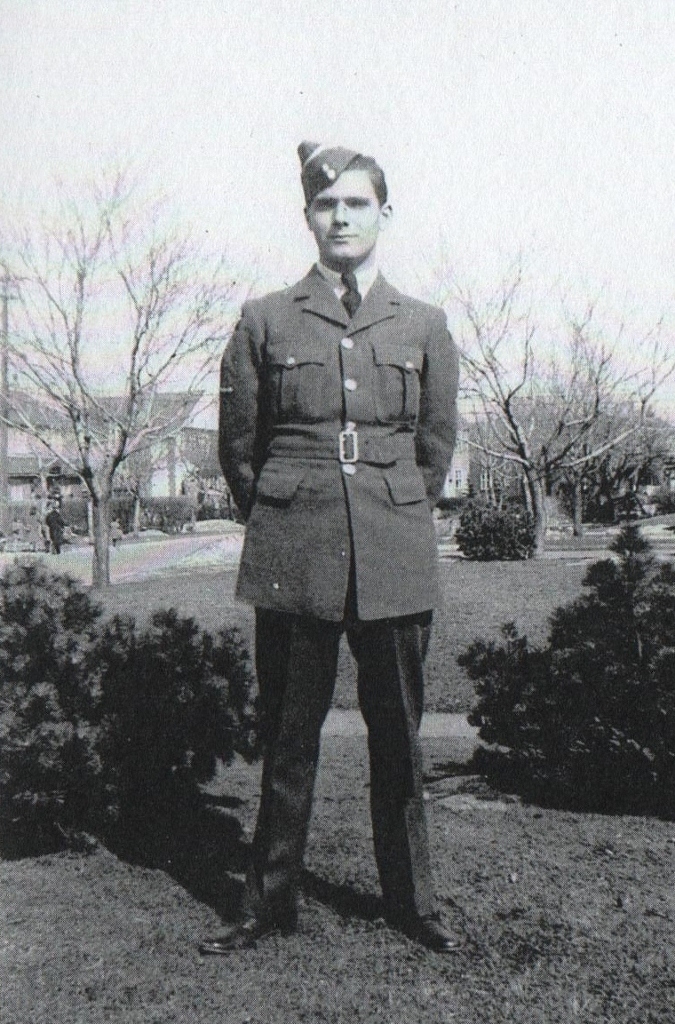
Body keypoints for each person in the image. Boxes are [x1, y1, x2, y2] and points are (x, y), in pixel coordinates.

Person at [202, 142, 459, 955]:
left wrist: (393, 507)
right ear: (307, 216)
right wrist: (286, 512)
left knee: (399, 739)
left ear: (384, 213)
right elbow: (238, 448)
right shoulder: (265, 319)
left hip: (392, 550)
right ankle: (267, 903)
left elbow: (434, 447)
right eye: (326, 204)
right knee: (288, 737)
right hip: (294, 550)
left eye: (355, 203)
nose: (340, 217)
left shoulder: (423, 322)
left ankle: (411, 903)